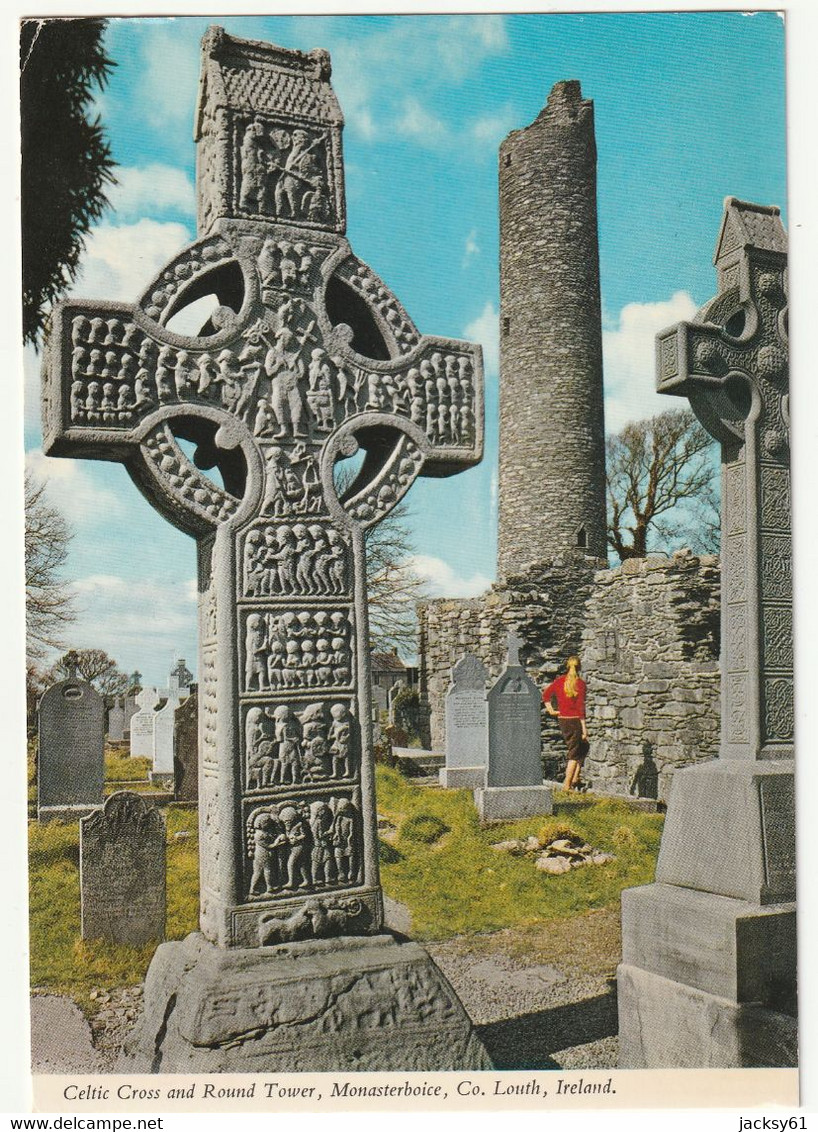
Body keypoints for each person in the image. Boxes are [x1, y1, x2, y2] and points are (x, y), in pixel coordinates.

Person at [542, 656, 589, 792]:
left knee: (584, 747)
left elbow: (545, 695)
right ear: (579, 667)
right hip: (575, 721)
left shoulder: (559, 681)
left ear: (567, 666)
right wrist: (584, 729)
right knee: (574, 753)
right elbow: (581, 709)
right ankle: (567, 785)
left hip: (563, 720)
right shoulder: (580, 684)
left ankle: (575, 778)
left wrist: (551, 710)